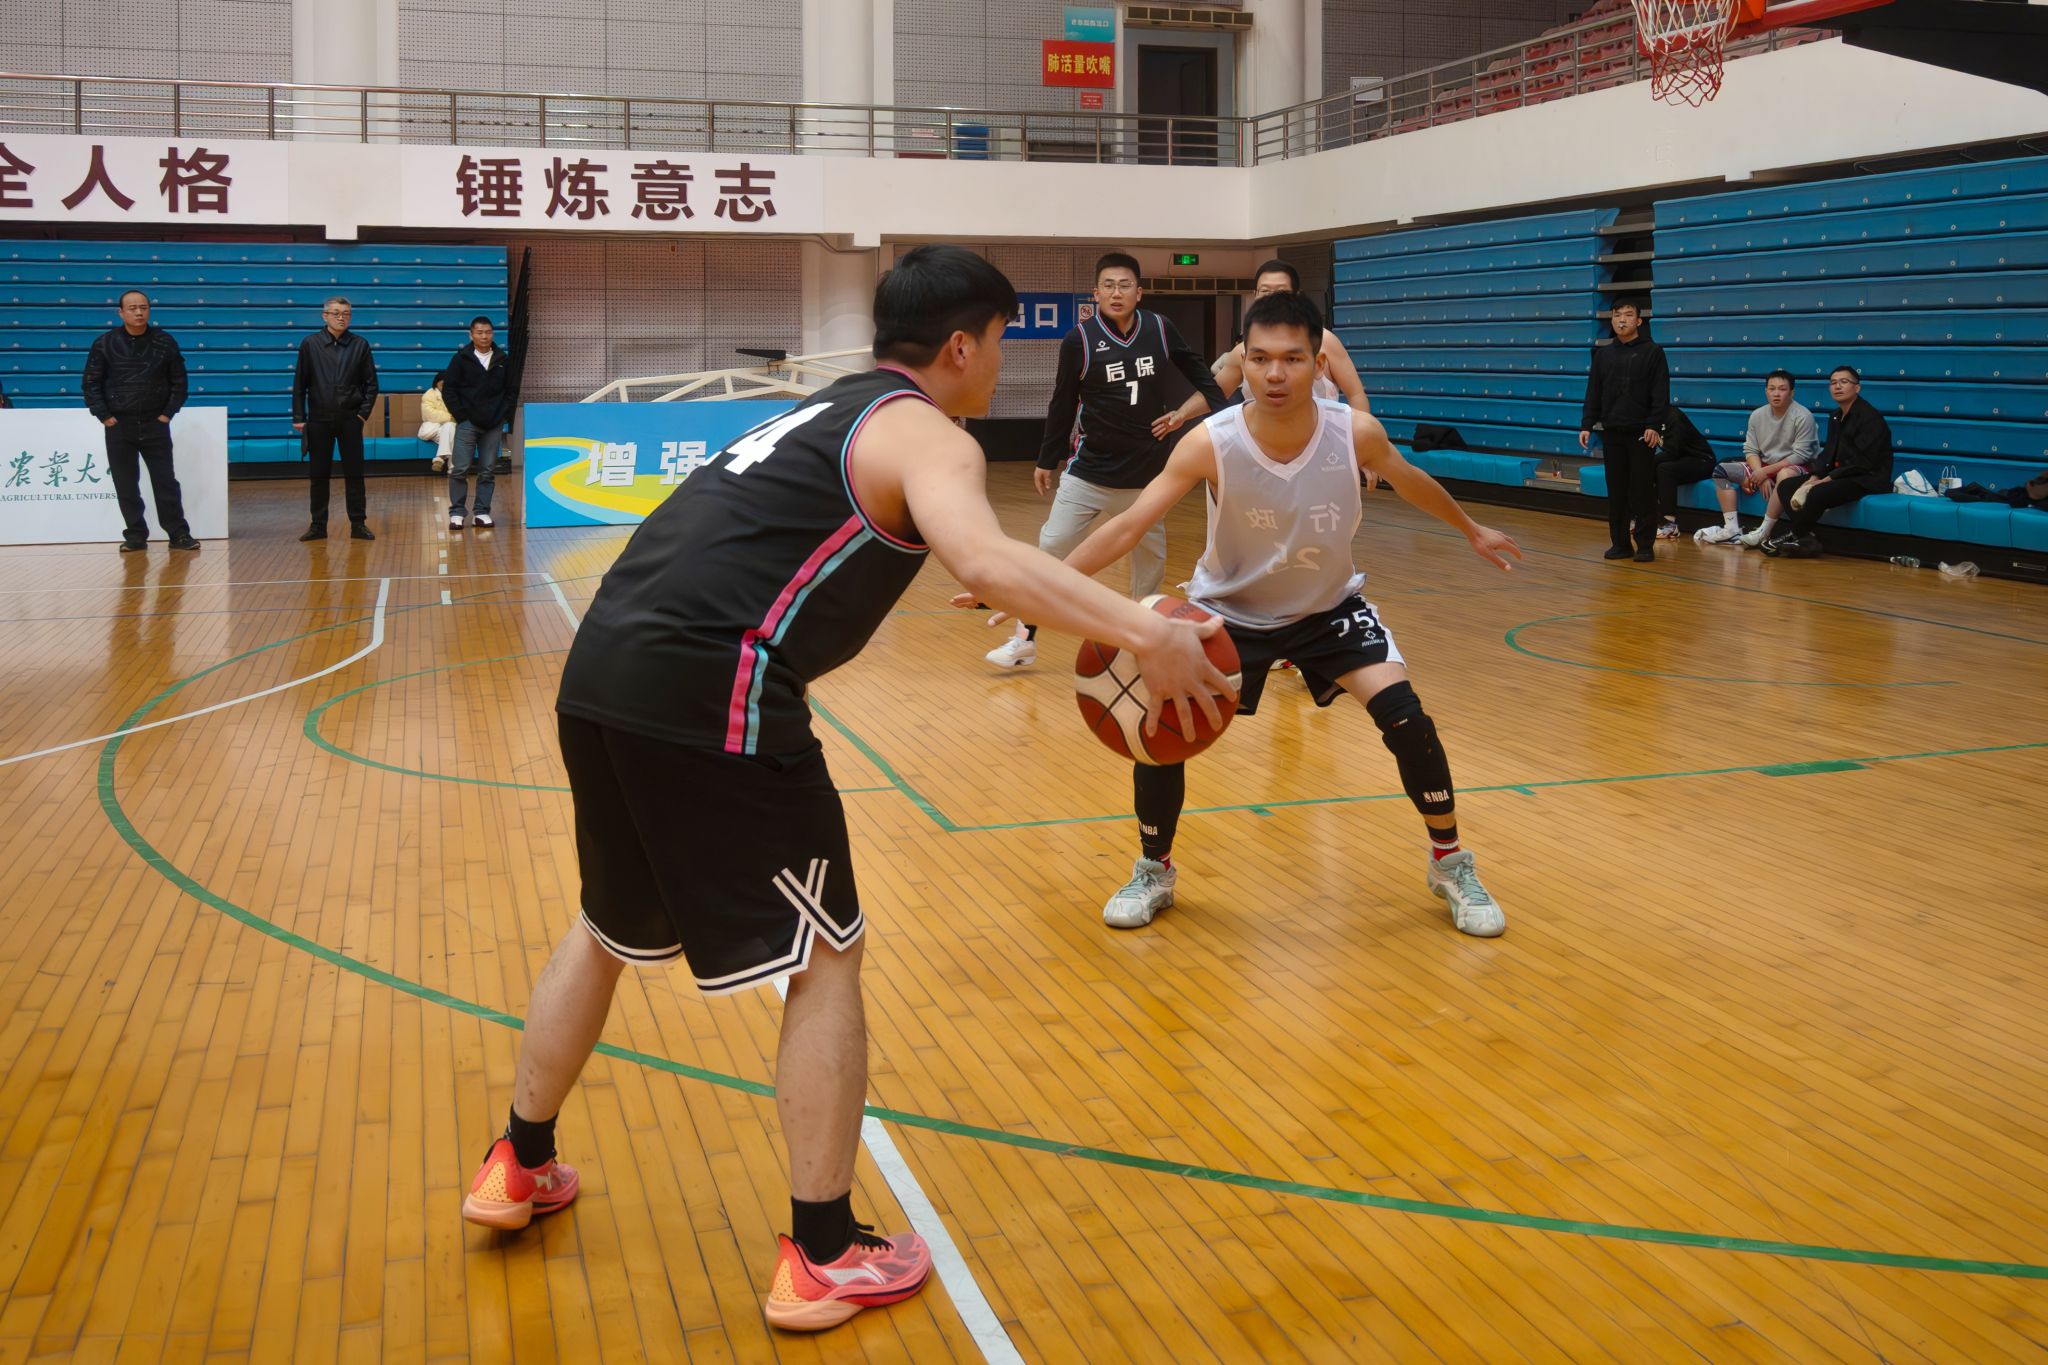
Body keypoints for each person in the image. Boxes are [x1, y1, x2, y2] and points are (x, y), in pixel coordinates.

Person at [465, 245, 1234, 1332]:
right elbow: (981, 559)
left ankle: (517, 1162)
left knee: (603, 925)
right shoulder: (928, 431)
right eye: (1001, 341)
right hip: (716, 685)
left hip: (603, 670)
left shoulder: (827, 409)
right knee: (827, 953)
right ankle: (823, 1251)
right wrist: (1146, 630)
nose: (1002, 364)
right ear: (960, 345)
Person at [1022, 290, 1521, 938]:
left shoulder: (1354, 433)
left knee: (1407, 716)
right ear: (1243, 363)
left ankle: (1450, 862)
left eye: (1291, 358)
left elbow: (1408, 476)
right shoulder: (1211, 442)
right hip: (1226, 610)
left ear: (1319, 364)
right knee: (1161, 717)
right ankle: (1155, 866)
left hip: (1328, 607)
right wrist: (1034, 584)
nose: (1275, 374)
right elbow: (1128, 526)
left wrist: (1470, 527)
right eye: (1260, 359)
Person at [981, 251, 1229, 669]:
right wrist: (1048, 458)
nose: (1117, 292)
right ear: (1096, 293)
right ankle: (1024, 638)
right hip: (1090, 471)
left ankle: (1142, 639)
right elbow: (1062, 402)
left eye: (1125, 285)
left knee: (1150, 565)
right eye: (1109, 286)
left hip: (1147, 477)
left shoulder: (1159, 329)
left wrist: (1218, 414)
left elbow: (1198, 370)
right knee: (1051, 549)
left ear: (1139, 292)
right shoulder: (1079, 339)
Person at [1154, 258, 1374, 433]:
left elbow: (1355, 394)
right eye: (1265, 292)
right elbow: (1215, 392)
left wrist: (1363, 444)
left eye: (1280, 292)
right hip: (1262, 443)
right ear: (1255, 296)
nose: (1272, 299)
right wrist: (1181, 414)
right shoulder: (1243, 350)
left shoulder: (1324, 340)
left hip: (1322, 441)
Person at [82, 289, 198, 554]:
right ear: (120, 312)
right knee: (125, 483)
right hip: (119, 425)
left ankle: (178, 533)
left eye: (143, 307)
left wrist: (166, 414)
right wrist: (104, 416)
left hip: (154, 424)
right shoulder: (104, 343)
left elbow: (179, 382)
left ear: (149, 310)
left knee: (166, 482)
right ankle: (135, 535)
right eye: (132, 308)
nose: (138, 312)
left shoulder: (164, 342)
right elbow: (91, 383)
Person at [1760, 365, 1894, 558]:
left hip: (1866, 478)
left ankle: (1795, 534)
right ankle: (1806, 539)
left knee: (1816, 492)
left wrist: (1824, 481)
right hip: (1840, 475)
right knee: (1786, 486)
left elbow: (1862, 462)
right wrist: (1813, 476)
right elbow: (1828, 453)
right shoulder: (1835, 416)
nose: (1837, 386)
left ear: (1857, 388)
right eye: (1833, 383)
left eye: (1844, 382)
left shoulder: (1870, 418)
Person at [1578, 297, 1669, 563]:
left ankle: (1644, 545)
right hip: (1612, 432)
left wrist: (1655, 424)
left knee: (1641, 490)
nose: (1621, 319)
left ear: (1638, 320)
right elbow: (1593, 392)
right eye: (1617, 315)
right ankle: (1619, 543)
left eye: (1628, 315)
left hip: (1641, 432)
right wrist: (1587, 424)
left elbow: (1660, 393)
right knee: (1616, 491)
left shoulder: (1653, 352)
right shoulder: (1604, 354)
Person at [1694, 370, 1819, 546]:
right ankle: (1731, 529)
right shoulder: (1757, 415)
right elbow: (1751, 450)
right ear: (1766, 391)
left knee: (1784, 475)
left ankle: (1764, 531)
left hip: (1797, 467)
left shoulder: (1803, 416)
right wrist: (1760, 473)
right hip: (1764, 466)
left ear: (1792, 392)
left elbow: (1800, 455)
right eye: (1772, 388)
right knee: (1721, 470)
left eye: (1782, 389)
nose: (1776, 393)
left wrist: (1765, 473)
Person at [293, 297, 380, 541]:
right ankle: (318, 525)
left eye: (346, 313)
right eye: (335, 313)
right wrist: (299, 416)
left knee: (355, 473)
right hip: (319, 419)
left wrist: (362, 415)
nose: (340, 317)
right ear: (324, 316)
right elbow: (300, 383)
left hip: (350, 419)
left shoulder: (360, 345)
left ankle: (358, 523)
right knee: (318, 474)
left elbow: (371, 385)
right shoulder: (310, 344)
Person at [442, 315, 513, 530]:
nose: (484, 336)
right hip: (467, 423)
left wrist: (502, 416)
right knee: (460, 469)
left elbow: (511, 391)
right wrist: (462, 416)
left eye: (488, 332)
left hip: (493, 424)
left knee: (488, 470)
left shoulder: (503, 359)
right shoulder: (461, 358)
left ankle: (481, 512)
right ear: (471, 335)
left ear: (493, 334)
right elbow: (449, 390)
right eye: (480, 332)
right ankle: (457, 512)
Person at [1649, 405, 1718, 540]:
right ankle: (1641, 518)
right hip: (1681, 459)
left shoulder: (1673, 416)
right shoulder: (1649, 418)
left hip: (1702, 460)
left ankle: (1670, 525)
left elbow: (1673, 452)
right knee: (1647, 469)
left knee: (1663, 469)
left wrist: (1647, 464)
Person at [420, 373, 457, 474]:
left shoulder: (454, 393)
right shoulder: (429, 394)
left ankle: (439, 459)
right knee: (451, 431)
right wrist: (450, 417)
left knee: (450, 430)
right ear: (436, 383)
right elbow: (429, 414)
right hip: (433, 428)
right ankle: (453, 469)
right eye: (442, 382)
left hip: (447, 429)